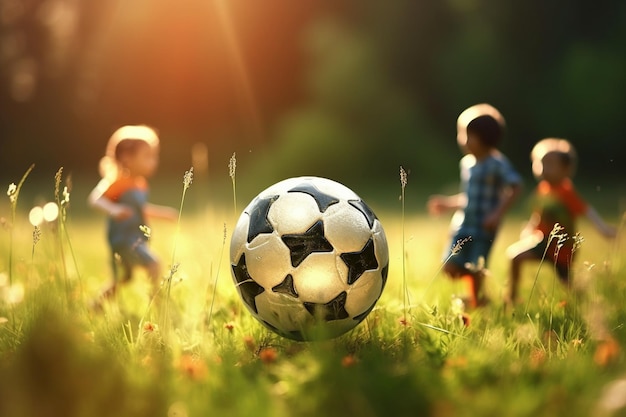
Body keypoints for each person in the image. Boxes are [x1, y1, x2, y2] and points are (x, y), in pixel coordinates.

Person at [428, 104, 522, 307]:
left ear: (484, 137)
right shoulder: (467, 164)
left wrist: (497, 214)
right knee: (450, 266)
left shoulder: (497, 164)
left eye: (467, 135)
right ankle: (478, 296)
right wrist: (447, 204)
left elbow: (516, 186)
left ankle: (476, 299)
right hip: (463, 225)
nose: (462, 139)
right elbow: (469, 197)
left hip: (484, 228)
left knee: (476, 266)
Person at [506, 138, 617, 304]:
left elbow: (586, 210)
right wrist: (529, 229)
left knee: (567, 282)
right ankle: (512, 298)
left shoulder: (566, 192)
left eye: (550, 164)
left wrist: (603, 229)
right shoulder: (542, 190)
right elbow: (539, 214)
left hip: (561, 247)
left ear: (566, 169)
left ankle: (586, 305)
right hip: (542, 242)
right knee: (515, 257)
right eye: (540, 163)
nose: (543, 169)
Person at [88, 125, 178, 307]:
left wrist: (163, 214)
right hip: (124, 240)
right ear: (127, 158)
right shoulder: (118, 182)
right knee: (154, 264)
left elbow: (141, 209)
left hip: (136, 238)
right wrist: (113, 209)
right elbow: (94, 199)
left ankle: (96, 305)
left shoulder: (140, 185)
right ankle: (158, 303)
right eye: (147, 156)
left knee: (123, 279)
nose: (153, 161)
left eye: (154, 156)